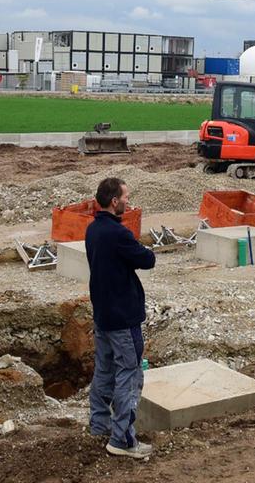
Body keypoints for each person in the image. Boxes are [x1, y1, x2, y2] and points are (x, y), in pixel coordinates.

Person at [85, 177, 157, 459]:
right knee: (129, 375)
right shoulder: (118, 234)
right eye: (126, 197)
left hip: (103, 316)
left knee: (103, 372)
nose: (129, 201)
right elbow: (147, 260)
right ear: (114, 201)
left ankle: (99, 425)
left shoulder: (93, 230)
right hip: (123, 318)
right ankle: (123, 440)